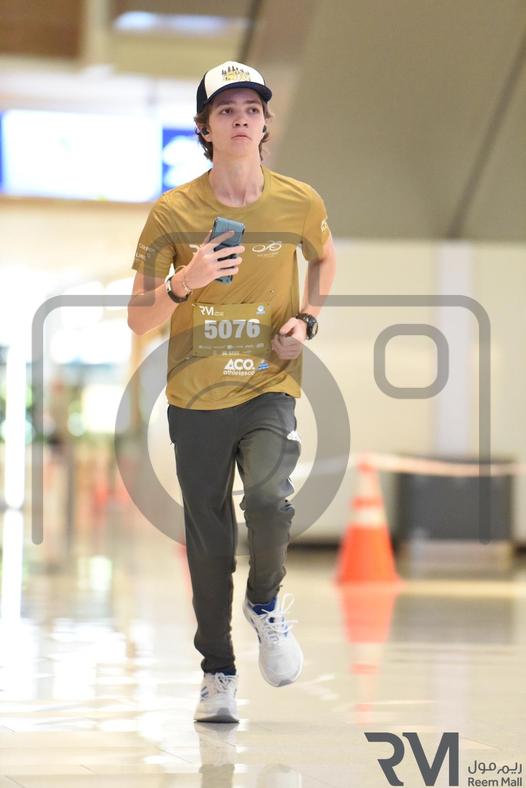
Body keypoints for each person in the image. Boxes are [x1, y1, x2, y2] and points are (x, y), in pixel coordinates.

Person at [127, 60, 336, 723]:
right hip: (196, 397)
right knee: (210, 544)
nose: (241, 119)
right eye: (226, 110)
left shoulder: (300, 201)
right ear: (205, 128)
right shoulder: (173, 211)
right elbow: (138, 317)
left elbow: (325, 257)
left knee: (271, 501)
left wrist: (306, 318)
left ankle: (266, 603)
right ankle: (217, 672)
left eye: (252, 108)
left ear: (266, 123)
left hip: (269, 384)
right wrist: (184, 282)